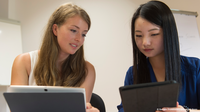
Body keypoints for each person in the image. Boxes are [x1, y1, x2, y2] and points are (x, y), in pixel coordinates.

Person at [11, 3, 99, 112]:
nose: (79, 39)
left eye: (83, 34)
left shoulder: (87, 70)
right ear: (55, 29)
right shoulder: (23, 62)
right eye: (73, 30)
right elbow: (17, 109)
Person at [117, 1, 200, 112]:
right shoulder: (133, 74)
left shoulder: (195, 68)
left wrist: (187, 111)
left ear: (168, 33)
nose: (145, 42)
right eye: (139, 35)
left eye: (154, 34)